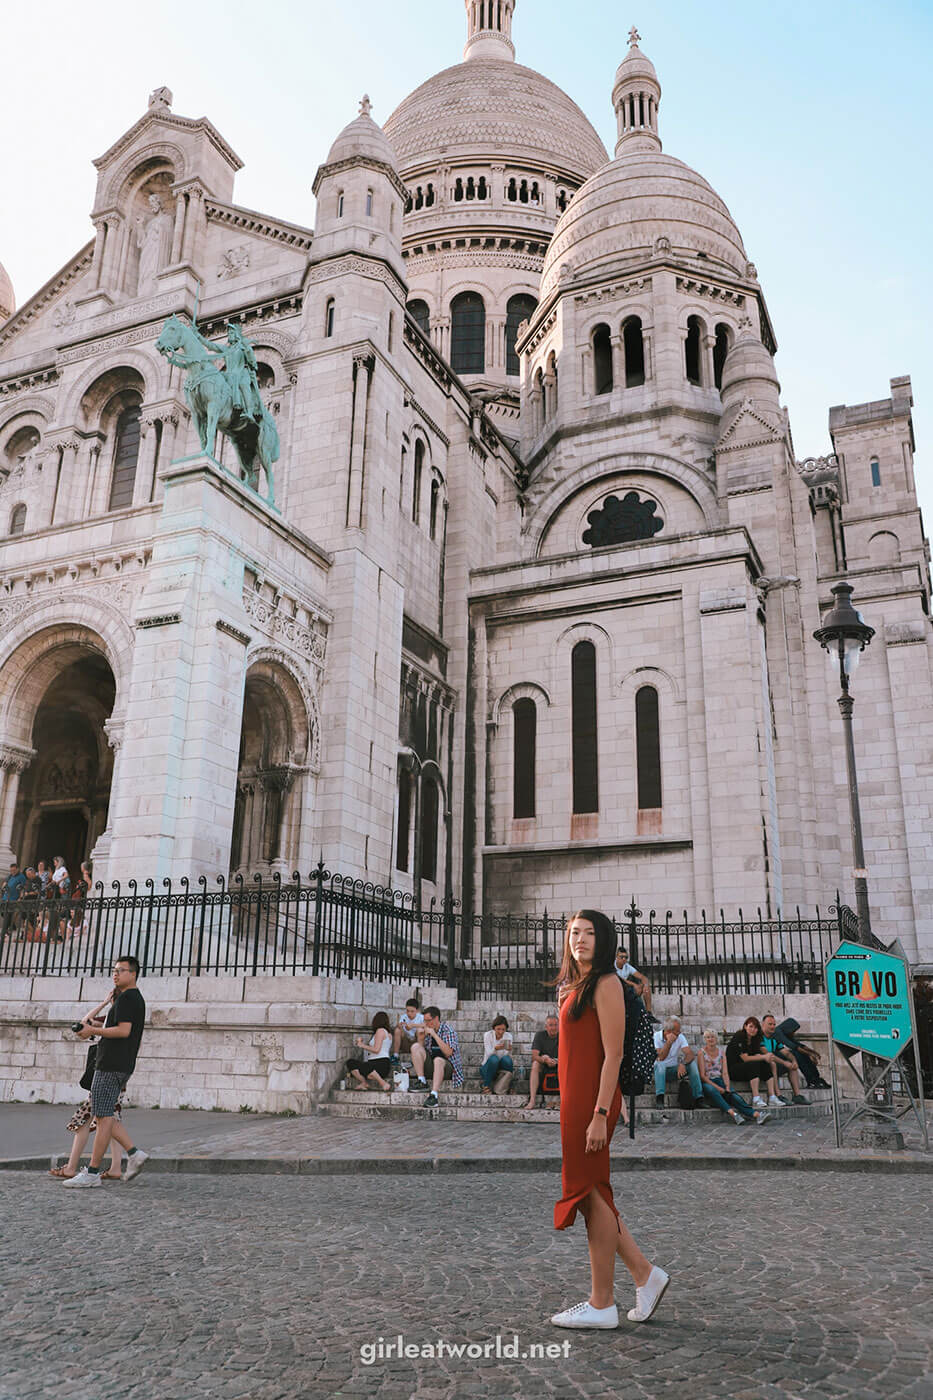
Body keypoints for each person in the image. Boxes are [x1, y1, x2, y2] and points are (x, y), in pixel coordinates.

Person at [551, 910, 669, 1329]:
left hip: (593, 1102)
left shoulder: (605, 984)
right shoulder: (575, 985)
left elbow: (613, 1054)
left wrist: (600, 1113)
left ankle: (605, 1301)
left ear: (604, 941)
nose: (579, 940)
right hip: (575, 1100)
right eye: (573, 933)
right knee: (590, 1193)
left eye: (588, 934)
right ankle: (642, 1276)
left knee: (588, 1191)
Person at [64, 955, 149, 1188]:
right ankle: (134, 1153)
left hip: (112, 1064)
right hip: (117, 1063)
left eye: (121, 970)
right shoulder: (125, 999)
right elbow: (111, 1026)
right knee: (105, 1116)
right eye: (114, 970)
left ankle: (92, 1173)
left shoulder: (130, 999)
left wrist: (93, 1030)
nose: (115, 974)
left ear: (133, 974)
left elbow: (123, 1031)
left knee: (103, 1118)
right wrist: (95, 1020)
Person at [49, 990, 125, 1181]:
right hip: (117, 1076)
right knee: (112, 1121)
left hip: (107, 1076)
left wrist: (105, 1002)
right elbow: (84, 1023)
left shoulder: (116, 1022)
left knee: (84, 1120)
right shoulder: (112, 1020)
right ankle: (115, 1167)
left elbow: (85, 1024)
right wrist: (105, 1002)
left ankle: (71, 1167)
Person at [696, 1028, 770, 1125]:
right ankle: (733, 1114)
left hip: (719, 1079)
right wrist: (718, 1088)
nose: (710, 1039)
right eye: (708, 1037)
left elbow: (725, 1073)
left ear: (716, 1039)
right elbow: (702, 1076)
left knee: (734, 1096)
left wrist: (726, 1086)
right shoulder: (701, 1053)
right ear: (705, 1039)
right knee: (713, 1091)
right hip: (708, 1081)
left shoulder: (722, 1053)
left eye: (712, 1037)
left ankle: (757, 1115)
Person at [410, 1006, 464, 1107]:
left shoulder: (448, 1030)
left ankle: (434, 1095)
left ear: (436, 1019)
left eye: (428, 1020)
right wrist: (421, 1039)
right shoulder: (427, 1030)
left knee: (438, 1060)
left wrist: (435, 1035)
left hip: (448, 1068)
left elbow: (448, 1052)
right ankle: (422, 1081)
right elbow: (420, 1054)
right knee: (415, 1046)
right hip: (432, 1067)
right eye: (424, 1021)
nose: (426, 1024)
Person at [726, 1016, 783, 1110]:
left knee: (765, 1063)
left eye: (755, 1028)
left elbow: (756, 1054)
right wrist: (764, 1056)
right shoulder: (739, 1036)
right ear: (745, 1026)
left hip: (747, 1070)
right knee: (753, 1063)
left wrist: (767, 1058)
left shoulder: (756, 1038)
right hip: (734, 1069)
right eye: (751, 1026)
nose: (753, 1030)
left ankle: (772, 1097)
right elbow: (745, 1058)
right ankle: (756, 1098)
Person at [653, 1017, 703, 1108]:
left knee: (692, 1065)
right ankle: (659, 1097)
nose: (679, 1033)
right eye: (677, 1031)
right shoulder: (656, 1037)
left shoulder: (680, 1037)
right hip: (659, 1073)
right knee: (660, 1064)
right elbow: (661, 1057)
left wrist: (683, 1064)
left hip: (674, 1071)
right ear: (668, 1031)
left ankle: (699, 1098)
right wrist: (669, 1042)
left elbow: (690, 1054)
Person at [761, 1013, 809, 1103]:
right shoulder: (759, 1037)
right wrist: (784, 1063)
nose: (772, 1027)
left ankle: (797, 1095)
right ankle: (778, 1095)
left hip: (770, 1066)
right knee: (773, 1063)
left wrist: (794, 1061)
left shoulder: (773, 1038)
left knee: (791, 1064)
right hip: (760, 1067)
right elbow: (767, 1054)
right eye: (770, 1024)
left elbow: (786, 1052)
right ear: (763, 1024)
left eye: (774, 1024)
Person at [773, 1015, 830, 1089]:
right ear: (788, 1028)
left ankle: (816, 1079)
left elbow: (799, 1045)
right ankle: (811, 1081)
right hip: (774, 1058)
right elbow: (793, 1046)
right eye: (793, 1031)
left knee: (802, 1054)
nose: (793, 1033)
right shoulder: (778, 1032)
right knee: (797, 1055)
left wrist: (813, 1052)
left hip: (781, 1056)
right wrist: (810, 1054)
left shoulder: (786, 1033)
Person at [345, 1012, 393, 1091]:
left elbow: (376, 1050)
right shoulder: (388, 1033)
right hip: (381, 1066)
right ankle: (364, 1082)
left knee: (364, 1066)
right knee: (351, 1063)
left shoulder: (380, 1031)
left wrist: (362, 1045)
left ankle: (383, 1083)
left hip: (380, 1063)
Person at [614, 947, 658, 1022]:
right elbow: (619, 979)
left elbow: (642, 977)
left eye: (626, 957)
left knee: (644, 987)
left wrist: (646, 986)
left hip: (626, 990)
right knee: (635, 989)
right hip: (616, 991)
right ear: (616, 957)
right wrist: (634, 984)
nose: (624, 959)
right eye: (621, 957)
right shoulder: (612, 966)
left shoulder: (627, 966)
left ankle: (649, 1013)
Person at [526, 1013, 559, 1109]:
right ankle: (532, 1100)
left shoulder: (563, 1035)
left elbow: (569, 1054)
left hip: (559, 1063)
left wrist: (557, 1061)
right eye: (551, 1025)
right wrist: (545, 1059)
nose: (553, 1028)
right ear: (546, 1027)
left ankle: (564, 1100)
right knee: (535, 1064)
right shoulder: (540, 1035)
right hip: (544, 1064)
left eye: (556, 1025)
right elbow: (534, 1056)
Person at [480, 1015, 514, 1093]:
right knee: (494, 1058)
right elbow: (488, 1054)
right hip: (487, 1068)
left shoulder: (508, 1036)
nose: (501, 1032)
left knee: (507, 1059)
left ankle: (509, 1086)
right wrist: (495, 1049)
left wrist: (509, 1050)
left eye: (503, 1029)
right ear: (493, 1028)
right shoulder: (488, 1035)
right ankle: (486, 1086)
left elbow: (507, 1057)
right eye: (498, 1029)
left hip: (500, 1070)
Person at [1, 862, 26, 937]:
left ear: (18, 869)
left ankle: (5, 931)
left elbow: (22, 888)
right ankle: (11, 926)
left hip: (13, 899)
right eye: (11, 871)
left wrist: (20, 898)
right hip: (6, 897)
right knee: (3, 913)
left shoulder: (22, 877)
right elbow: (5, 883)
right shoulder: (10, 875)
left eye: (14, 870)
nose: (12, 872)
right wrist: (3, 887)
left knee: (7, 914)